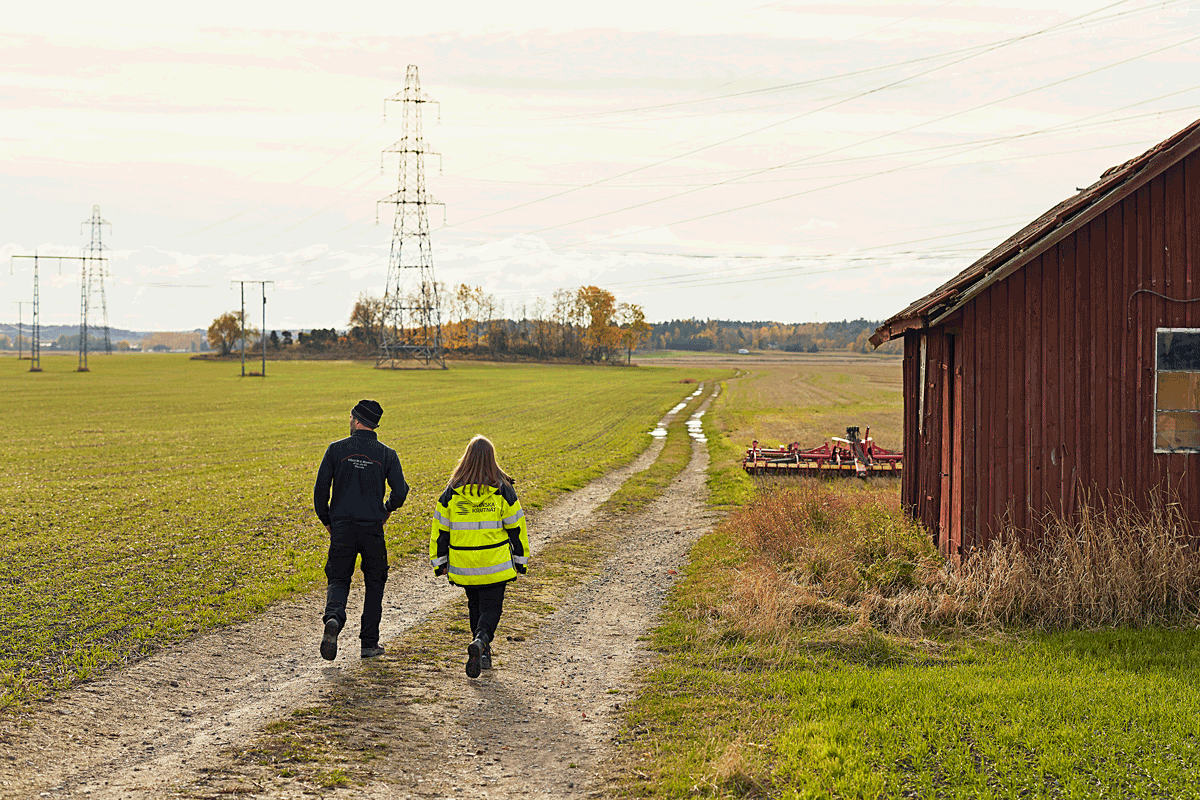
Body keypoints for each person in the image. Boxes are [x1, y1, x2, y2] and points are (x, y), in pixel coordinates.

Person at [314, 399, 409, 661]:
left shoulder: (335, 449)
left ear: (356, 420)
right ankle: (369, 644)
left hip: (342, 528)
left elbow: (320, 491)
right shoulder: (387, 454)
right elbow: (400, 491)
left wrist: (328, 522)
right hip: (372, 529)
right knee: (375, 583)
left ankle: (333, 617)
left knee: (338, 579)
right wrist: (387, 509)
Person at [430, 435, 530, 678]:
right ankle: (482, 641)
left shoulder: (451, 491)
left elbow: (440, 529)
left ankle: (482, 652)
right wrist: (521, 560)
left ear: (467, 458)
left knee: (474, 605)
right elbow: (517, 528)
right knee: (492, 608)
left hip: (464, 565)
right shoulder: (503, 489)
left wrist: (440, 561)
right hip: (494, 563)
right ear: (492, 459)